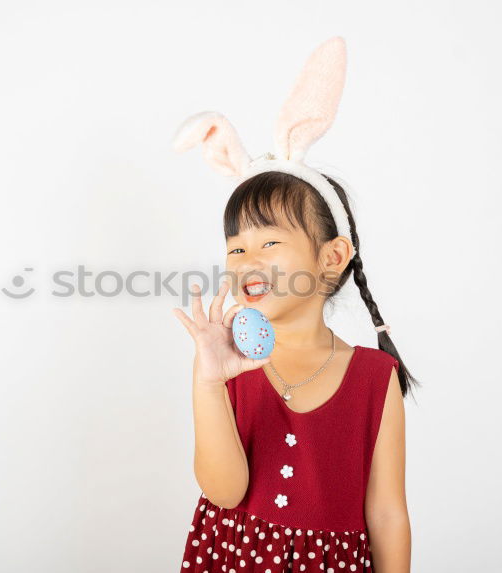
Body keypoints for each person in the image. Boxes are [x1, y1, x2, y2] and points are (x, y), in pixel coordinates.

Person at [171, 37, 418, 572]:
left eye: (269, 243)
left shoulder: (376, 378)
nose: (246, 261)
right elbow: (225, 489)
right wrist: (209, 382)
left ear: (332, 257)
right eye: (236, 248)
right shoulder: (231, 363)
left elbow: (388, 513)